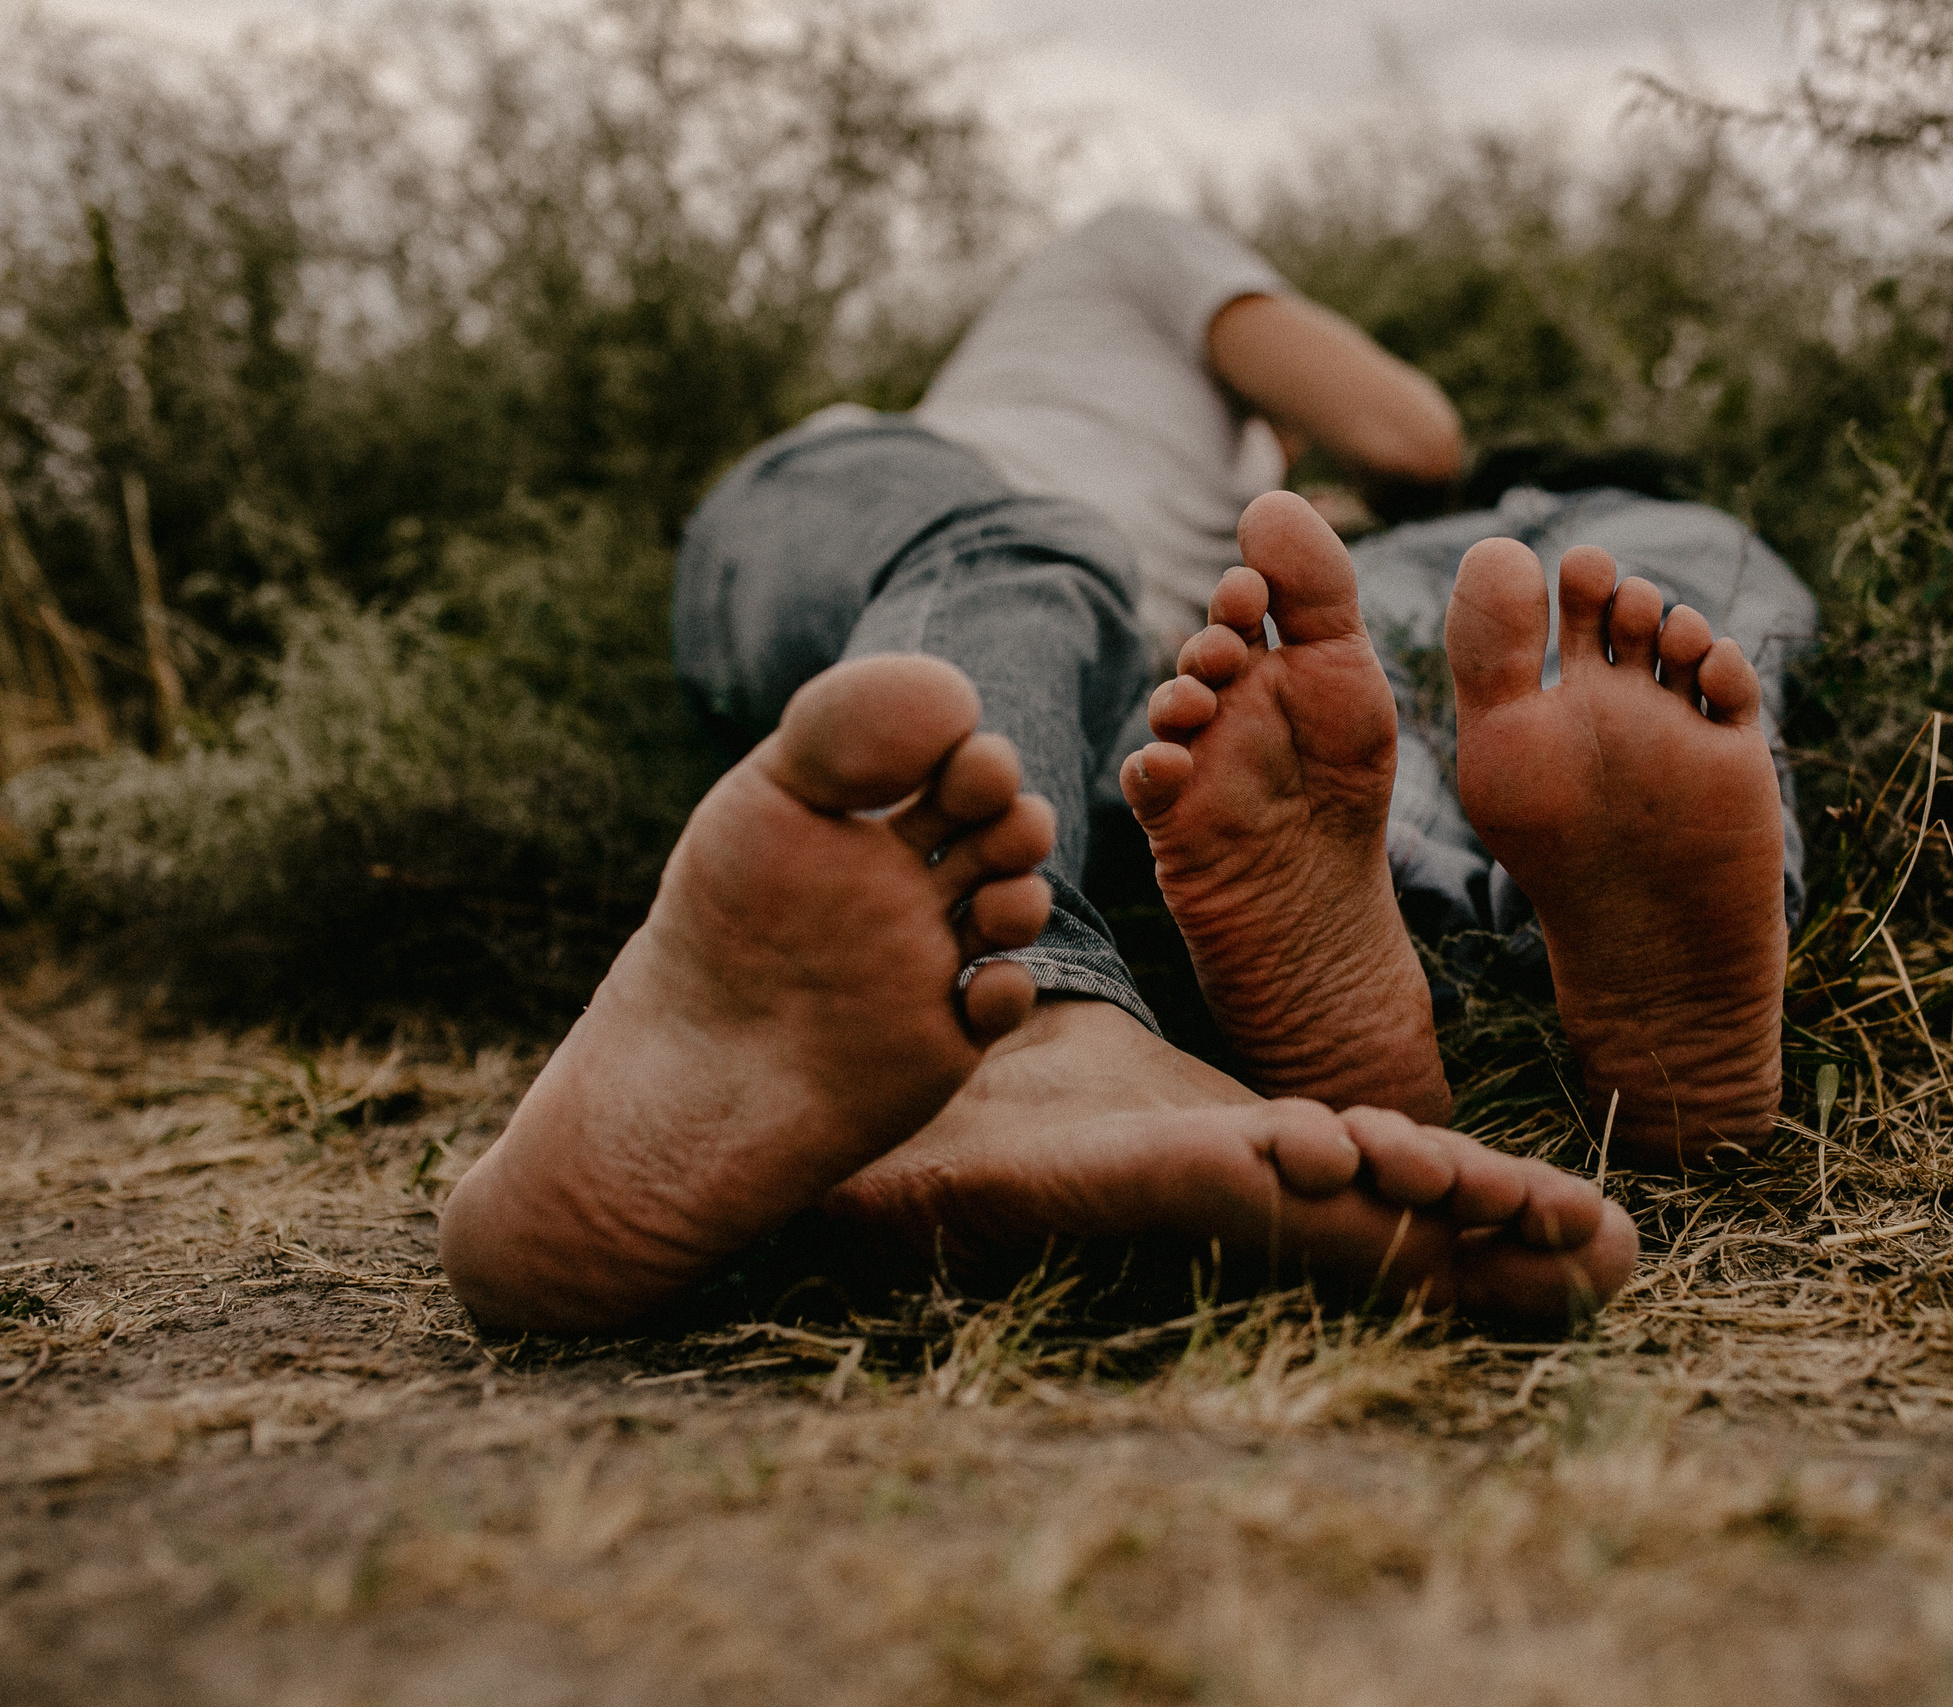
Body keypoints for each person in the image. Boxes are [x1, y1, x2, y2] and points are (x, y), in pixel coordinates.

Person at [436, 206, 1810, 1334]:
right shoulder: (1142, 250)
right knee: (1039, 561)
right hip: (877, 512)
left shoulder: (1222, 501)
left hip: (1077, 694)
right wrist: (1348, 471)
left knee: (1204, 746)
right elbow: (1413, 433)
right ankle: (1019, 1037)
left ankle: (1482, 986)